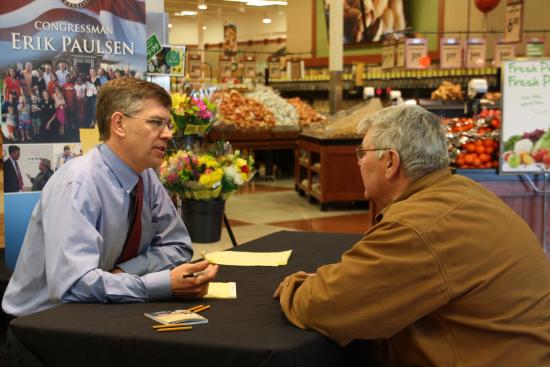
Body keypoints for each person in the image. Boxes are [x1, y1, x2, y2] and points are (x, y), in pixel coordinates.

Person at [274, 105, 550, 366]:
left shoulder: (418, 226)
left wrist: (294, 283)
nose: (359, 162)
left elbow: (326, 306)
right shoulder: (462, 190)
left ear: (391, 161)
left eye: (363, 153)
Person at [2, 77, 218, 317]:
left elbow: (178, 246)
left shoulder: (145, 177)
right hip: (45, 322)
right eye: (156, 122)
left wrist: (123, 273)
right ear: (119, 124)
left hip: (103, 306)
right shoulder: (78, 184)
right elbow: (72, 286)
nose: (167, 134)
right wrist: (160, 284)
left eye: (169, 124)